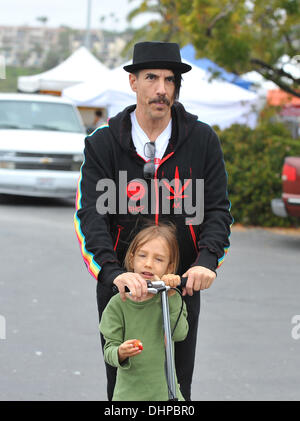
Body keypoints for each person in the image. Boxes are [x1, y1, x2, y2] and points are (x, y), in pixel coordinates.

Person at [74, 41, 233, 401]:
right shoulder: (103, 143)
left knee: (176, 386)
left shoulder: (202, 139)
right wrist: (113, 273)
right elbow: (90, 216)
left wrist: (207, 262)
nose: (161, 89)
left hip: (179, 285)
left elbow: (217, 210)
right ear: (133, 82)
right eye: (151, 78)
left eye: (169, 80)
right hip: (122, 286)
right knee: (124, 384)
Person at [99, 223, 188, 401]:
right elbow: (109, 351)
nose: (148, 264)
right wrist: (121, 352)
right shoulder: (118, 304)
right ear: (132, 259)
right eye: (142, 256)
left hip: (165, 393)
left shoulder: (171, 298)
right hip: (128, 396)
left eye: (159, 259)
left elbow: (179, 334)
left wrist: (169, 295)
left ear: (169, 268)